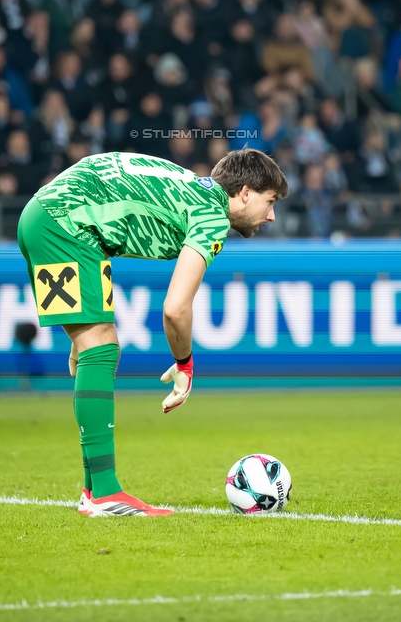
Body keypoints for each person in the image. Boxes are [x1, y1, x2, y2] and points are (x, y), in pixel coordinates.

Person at [17, 148, 288, 516]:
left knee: (93, 350)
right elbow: (175, 309)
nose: (271, 215)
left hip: (49, 215)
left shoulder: (193, 189)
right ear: (243, 193)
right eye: (269, 201)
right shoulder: (211, 215)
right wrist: (185, 364)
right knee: (101, 348)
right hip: (64, 222)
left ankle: (93, 489)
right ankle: (105, 494)